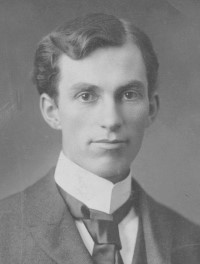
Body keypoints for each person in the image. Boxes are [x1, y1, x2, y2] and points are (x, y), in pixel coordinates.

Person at [0, 13, 200, 264]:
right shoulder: (4, 230)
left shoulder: (192, 240)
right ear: (52, 111)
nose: (111, 119)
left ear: (151, 108)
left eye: (128, 94)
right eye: (86, 95)